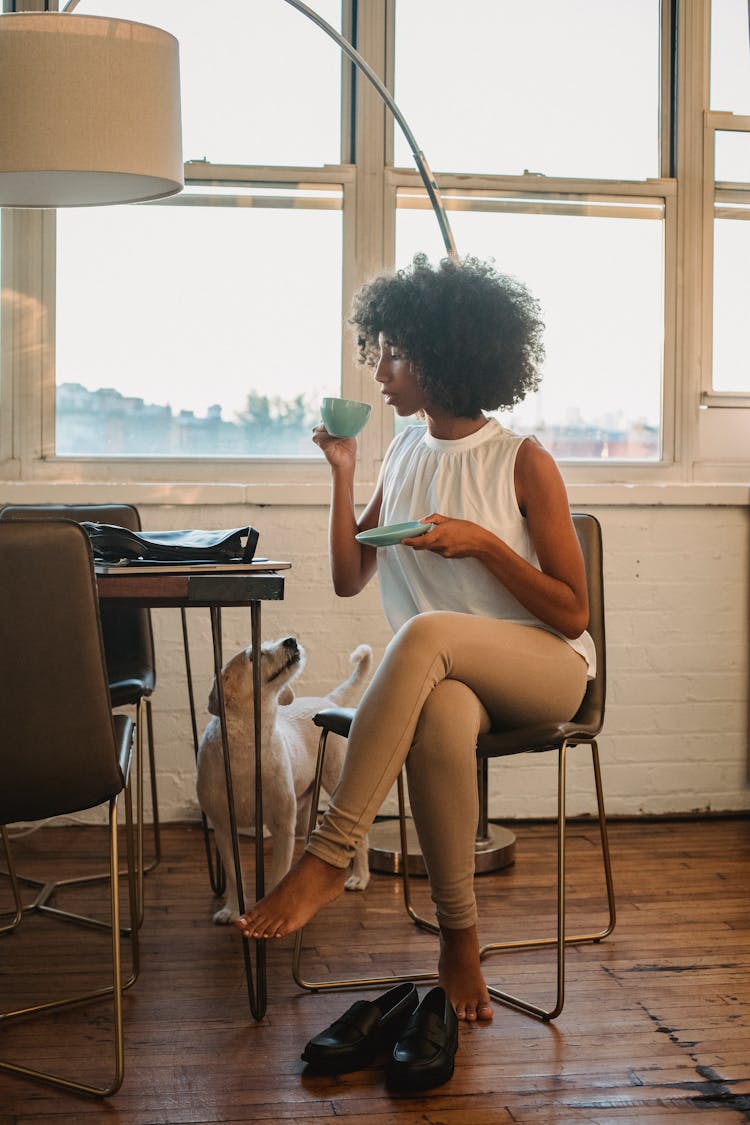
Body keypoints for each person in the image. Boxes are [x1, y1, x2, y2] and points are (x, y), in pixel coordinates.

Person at [235, 253, 595, 1023]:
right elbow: (347, 576)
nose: (380, 370)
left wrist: (485, 545)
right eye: (380, 350)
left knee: (428, 632)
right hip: (448, 679)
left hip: (545, 666)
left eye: (395, 353)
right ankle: (459, 939)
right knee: (440, 716)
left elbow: (573, 614)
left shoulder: (522, 459)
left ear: (447, 354)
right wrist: (342, 471)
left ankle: (330, 854)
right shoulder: (403, 449)